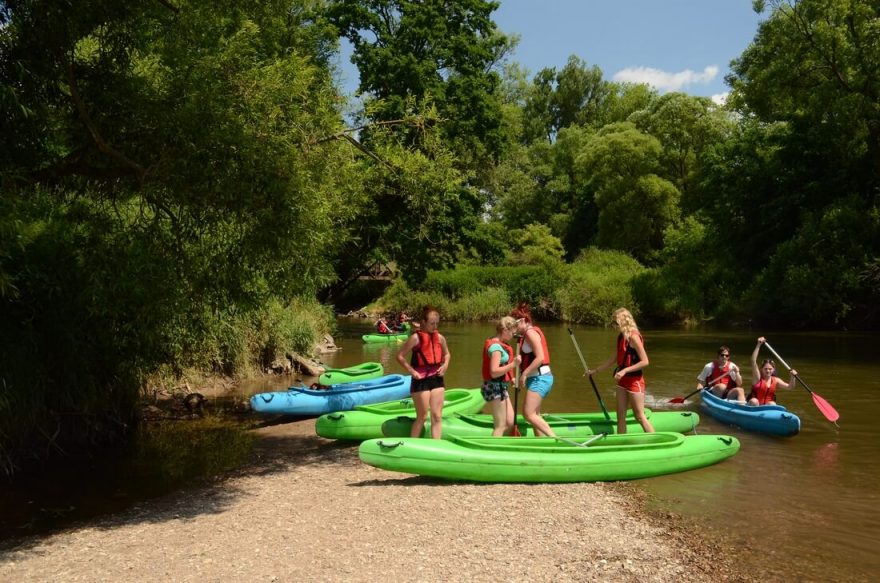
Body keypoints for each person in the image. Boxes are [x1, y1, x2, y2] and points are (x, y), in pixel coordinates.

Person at [587, 307, 655, 434]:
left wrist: (625, 370)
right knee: (620, 418)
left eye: (616, 323)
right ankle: (621, 443)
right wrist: (595, 371)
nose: (614, 326)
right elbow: (613, 358)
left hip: (635, 381)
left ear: (624, 321)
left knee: (639, 416)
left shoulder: (634, 337)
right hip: (622, 382)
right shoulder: (621, 337)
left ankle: (656, 441)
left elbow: (645, 361)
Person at [396, 306, 450, 438]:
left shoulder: (440, 338)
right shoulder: (416, 338)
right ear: (424, 322)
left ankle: (436, 447)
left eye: (437, 323)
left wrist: (445, 366)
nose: (435, 326)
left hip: (436, 378)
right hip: (420, 380)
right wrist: (411, 371)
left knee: (437, 416)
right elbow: (400, 356)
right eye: (432, 323)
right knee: (422, 416)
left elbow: (447, 354)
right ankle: (412, 445)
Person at [511, 303, 556, 437]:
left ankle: (554, 438)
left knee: (528, 414)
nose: (514, 328)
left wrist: (524, 373)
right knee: (535, 414)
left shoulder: (530, 333)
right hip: (536, 377)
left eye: (516, 324)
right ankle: (541, 442)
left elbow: (540, 358)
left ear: (524, 321)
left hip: (541, 378)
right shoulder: (525, 335)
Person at [481, 316, 522, 436]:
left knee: (510, 421)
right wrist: (513, 365)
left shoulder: (502, 344)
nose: (513, 336)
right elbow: (494, 371)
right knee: (500, 425)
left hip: (501, 386)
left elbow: (503, 365)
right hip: (493, 387)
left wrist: (512, 377)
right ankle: (492, 449)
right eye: (512, 333)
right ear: (505, 331)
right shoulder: (496, 348)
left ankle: (501, 441)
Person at [748, 337, 797, 406]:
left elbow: (790, 387)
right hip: (754, 406)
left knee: (772, 403)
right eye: (766, 369)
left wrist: (792, 377)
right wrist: (758, 345)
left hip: (767, 408)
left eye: (770, 369)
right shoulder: (758, 378)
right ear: (761, 369)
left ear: (773, 369)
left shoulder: (776, 380)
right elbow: (753, 361)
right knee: (754, 401)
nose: (768, 371)